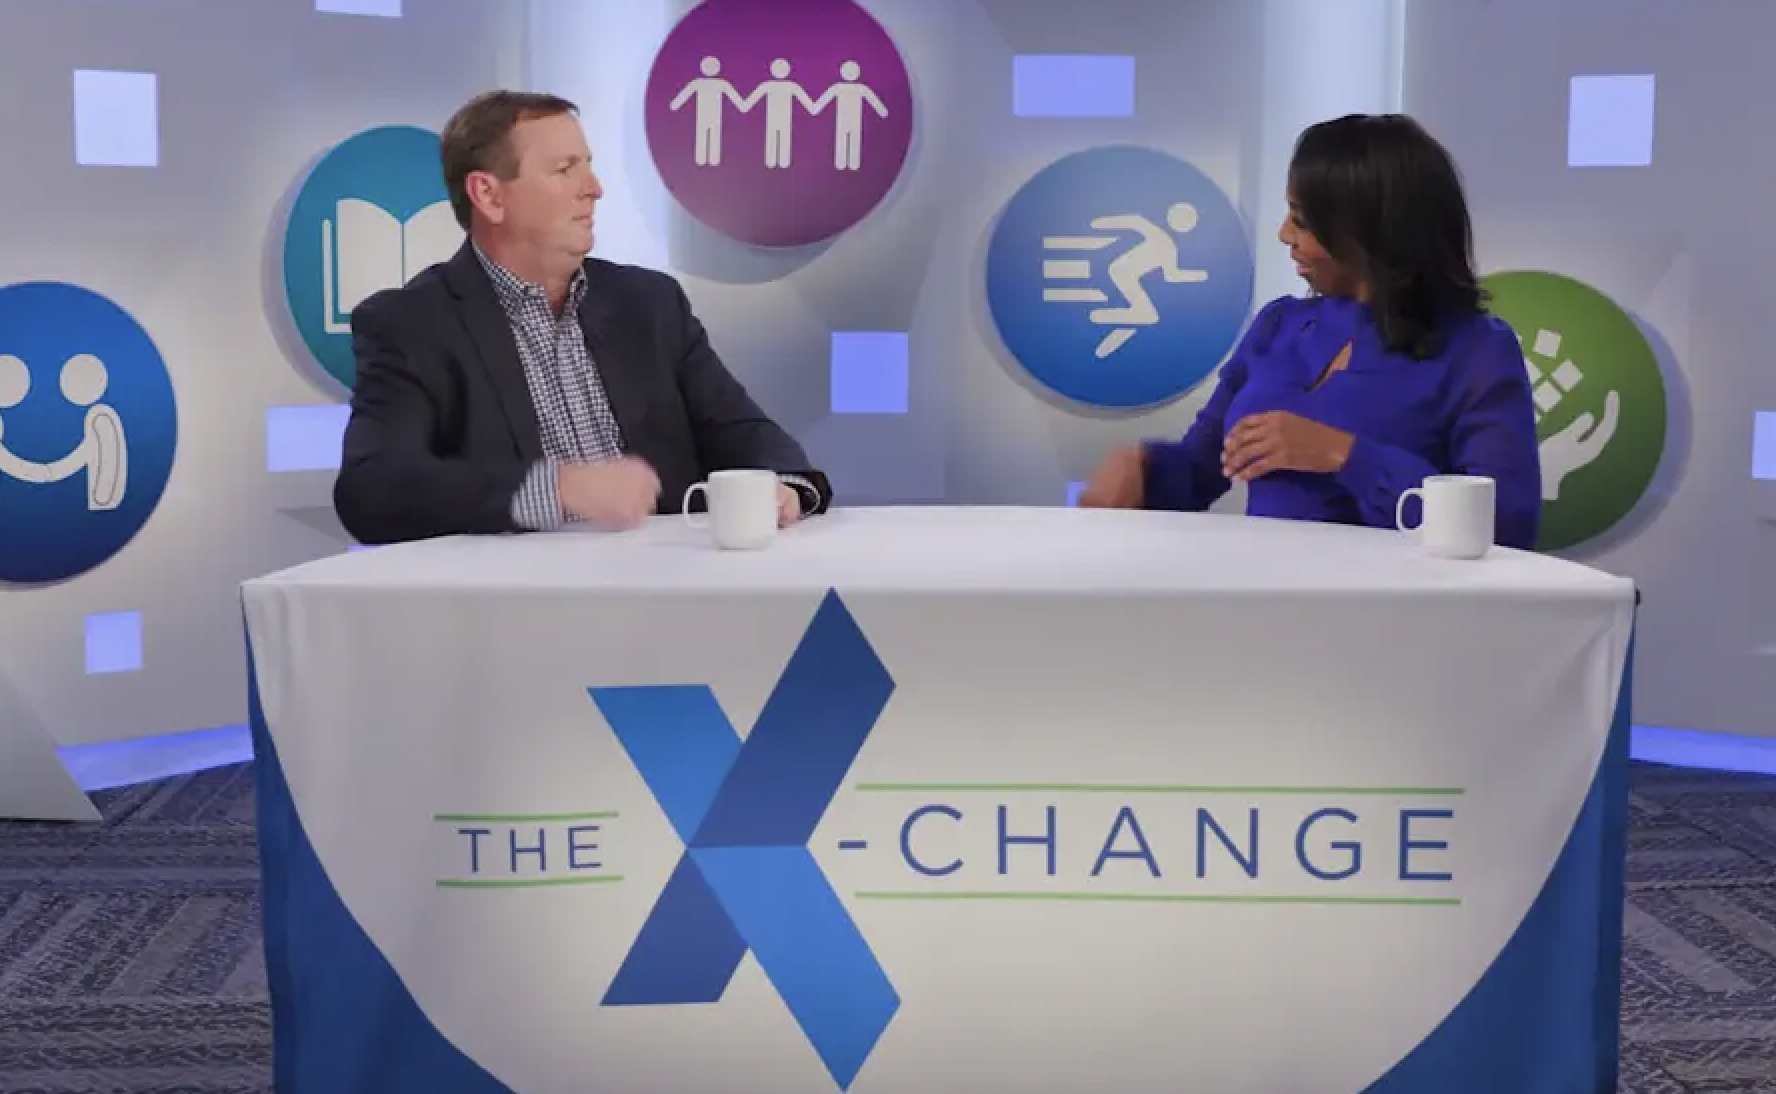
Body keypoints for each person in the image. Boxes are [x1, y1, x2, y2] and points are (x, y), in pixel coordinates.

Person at [333, 90, 830, 546]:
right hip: (521, 599)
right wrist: (557, 488)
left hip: (669, 583)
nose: (594, 189)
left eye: (588, 166)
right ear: (489, 196)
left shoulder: (650, 302)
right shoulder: (412, 324)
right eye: (564, 169)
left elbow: (740, 429)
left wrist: (782, 485)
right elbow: (372, 489)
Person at [1079, 114, 1542, 550]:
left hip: (1392, 605)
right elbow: (1200, 470)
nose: (1284, 234)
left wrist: (1346, 456)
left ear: (1370, 232)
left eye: (1301, 221)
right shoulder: (1277, 326)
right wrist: (1144, 469)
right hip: (1265, 596)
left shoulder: (1477, 349)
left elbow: (1505, 527)